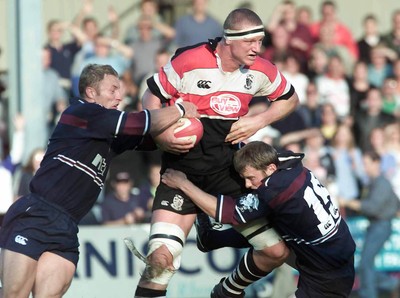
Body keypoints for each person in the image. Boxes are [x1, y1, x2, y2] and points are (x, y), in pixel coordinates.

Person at [133, 8, 299, 298]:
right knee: (159, 262)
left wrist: (259, 120)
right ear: (230, 39)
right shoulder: (191, 59)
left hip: (229, 173)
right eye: (251, 42)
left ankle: (226, 290)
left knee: (276, 251)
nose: (257, 48)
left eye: (260, 41)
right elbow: (152, 94)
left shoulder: (259, 69)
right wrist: (160, 134)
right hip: (180, 174)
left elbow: (290, 98)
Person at [0, 63, 199, 298]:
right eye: (113, 89)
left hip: (67, 227)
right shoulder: (83, 113)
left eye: (121, 90)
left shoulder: (107, 132)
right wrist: (181, 110)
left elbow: (149, 138)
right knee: (14, 295)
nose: (120, 95)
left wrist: (183, 130)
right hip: (36, 214)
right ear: (91, 92)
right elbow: (137, 123)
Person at [161, 141, 356, 298]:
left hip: (326, 273)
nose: (248, 184)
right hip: (334, 251)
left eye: (251, 178)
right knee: (273, 238)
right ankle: (217, 256)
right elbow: (255, 155)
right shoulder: (288, 161)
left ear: (270, 169)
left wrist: (183, 183)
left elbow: (225, 212)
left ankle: (225, 287)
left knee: (259, 227)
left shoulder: (274, 191)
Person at [339, 151, 400, 298]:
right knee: (366, 265)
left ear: (376, 163)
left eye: (366, 164)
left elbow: (372, 207)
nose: (364, 167)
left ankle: (374, 291)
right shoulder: (374, 183)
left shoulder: (381, 183)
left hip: (381, 226)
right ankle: (391, 283)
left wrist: (348, 202)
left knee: (365, 265)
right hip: (377, 225)